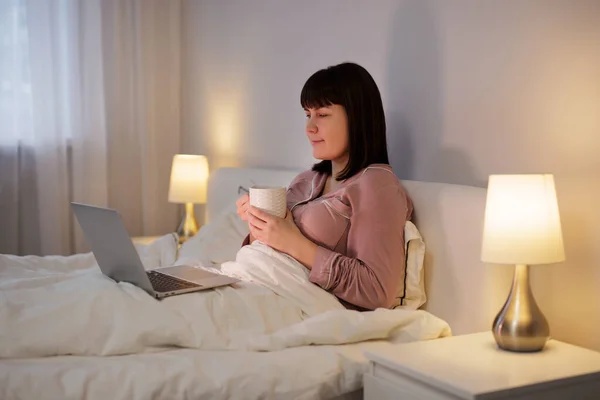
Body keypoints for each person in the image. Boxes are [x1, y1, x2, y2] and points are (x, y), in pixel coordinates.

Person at [235, 62, 413, 311]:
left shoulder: (376, 185)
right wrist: (259, 224)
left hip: (294, 305)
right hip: (254, 284)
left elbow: (377, 291)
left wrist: (293, 242)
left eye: (323, 114)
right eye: (308, 114)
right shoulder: (307, 179)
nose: (309, 128)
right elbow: (269, 255)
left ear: (356, 116)